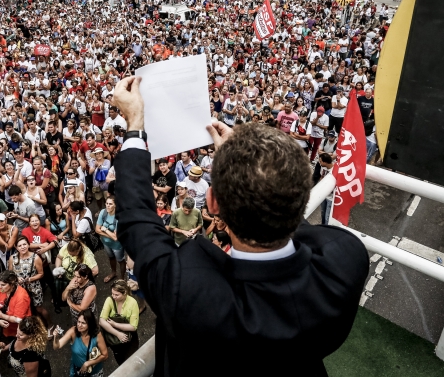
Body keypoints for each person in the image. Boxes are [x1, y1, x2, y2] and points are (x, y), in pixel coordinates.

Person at [111, 75, 369, 376]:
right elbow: (285, 213)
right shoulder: (347, 258)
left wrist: (135, 126)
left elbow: (137, 220)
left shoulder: (189, 290)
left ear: (213, 203)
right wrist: (251, 164)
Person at [52, 309, 107, 377]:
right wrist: (55, 337)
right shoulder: (73, 331)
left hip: (95, 372)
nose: (79, 325)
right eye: (78, 321)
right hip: (78, 372)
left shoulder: (97, 335)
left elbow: (105, 355)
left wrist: (88, 363)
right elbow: (57, 346)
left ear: (90, 324)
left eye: (83, 323)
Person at [99, 279, 140, 365]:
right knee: (120, 360)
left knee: (132, 360)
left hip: (130, 338)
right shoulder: (109, 300)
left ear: (124, 292)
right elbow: (101, 321)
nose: (113, 296)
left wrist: (115, 324)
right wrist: (118, 334)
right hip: (114, 339)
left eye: (116, 295)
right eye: (112, 294)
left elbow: (133, 327)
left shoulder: (133, 303)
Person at [0, 270, 31, 340]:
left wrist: (0, 315)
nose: (0, 287)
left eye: (3, 285)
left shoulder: (22, 296)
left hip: (18, 333)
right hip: (5, 330)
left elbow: (17, 319)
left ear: (12, 284)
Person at [96, 197, 125, 283]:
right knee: (111, 257)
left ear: (115, 205)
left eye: (110, 204)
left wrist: (104, 229)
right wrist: (110, 234)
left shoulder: (119, 217)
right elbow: (97, 229)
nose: (107, 206)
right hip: (106, 242)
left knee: (120, 260)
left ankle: (122, 278)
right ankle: (113, 272)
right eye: (107, 203)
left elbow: (116, 238)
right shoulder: (103, 212)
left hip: (117, 245)